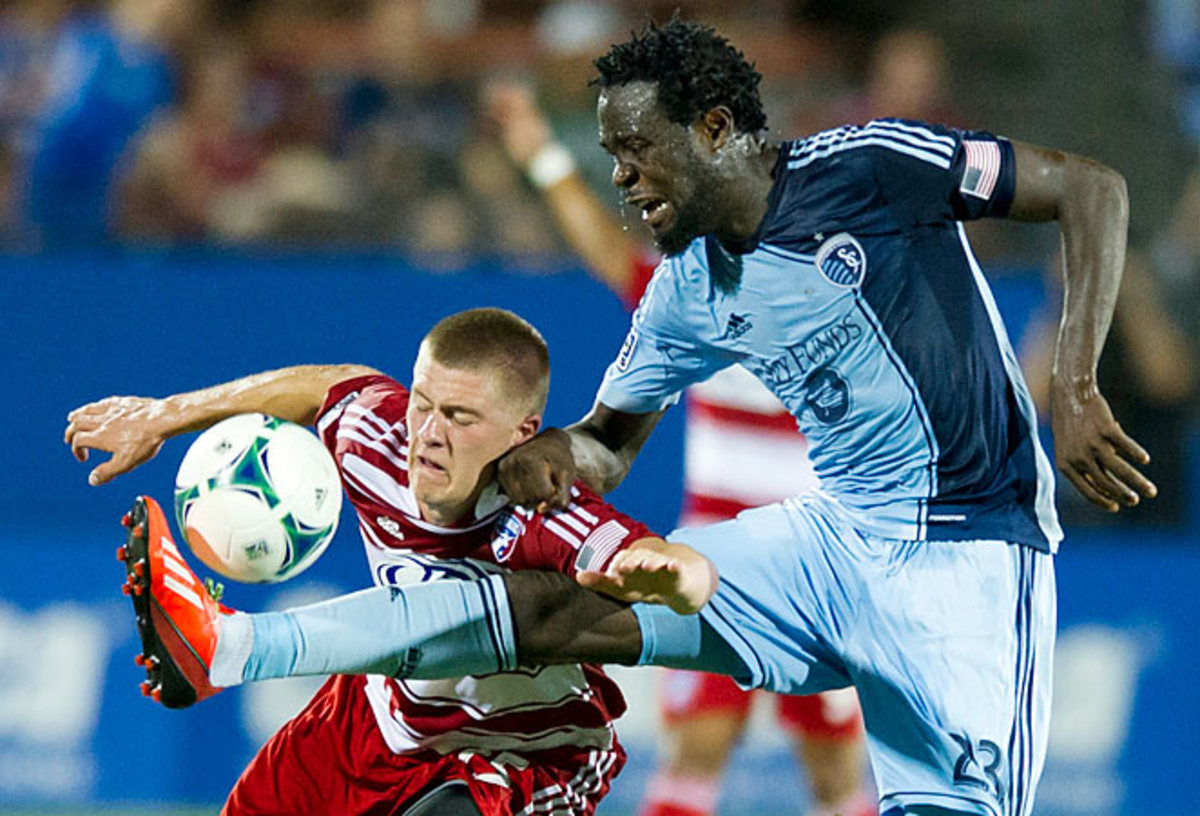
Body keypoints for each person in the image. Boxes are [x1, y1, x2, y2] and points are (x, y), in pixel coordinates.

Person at [70, 19, 1157, 816]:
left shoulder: (869, 166)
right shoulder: (688, 288)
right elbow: (608, 442)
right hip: (831, 540)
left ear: (716, 126)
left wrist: (1074, 382)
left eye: (636, 153)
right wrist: (541, 455)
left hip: (969, 558)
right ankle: (232, 643)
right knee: (540, 608)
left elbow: (1091, 189)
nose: (624, 179)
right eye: (609, 158)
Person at [67, 307, 713, 816]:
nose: (427, 434)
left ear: (524, 433)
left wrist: (665, 572)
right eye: (424, 403)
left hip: (517, 755)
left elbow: (657, 559)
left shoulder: (544, 514)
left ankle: (230, 646)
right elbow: (325, 386)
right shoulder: (377, 441)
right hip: (368, 728)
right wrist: (163, 416)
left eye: (459, 417)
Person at [484, 79, 873, 816]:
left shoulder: (840, 298)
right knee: (698, 749)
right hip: (716, 560)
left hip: (818, 564)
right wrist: (541, 157)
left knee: (832, 772)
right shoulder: (697, 293)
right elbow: (608, 253)